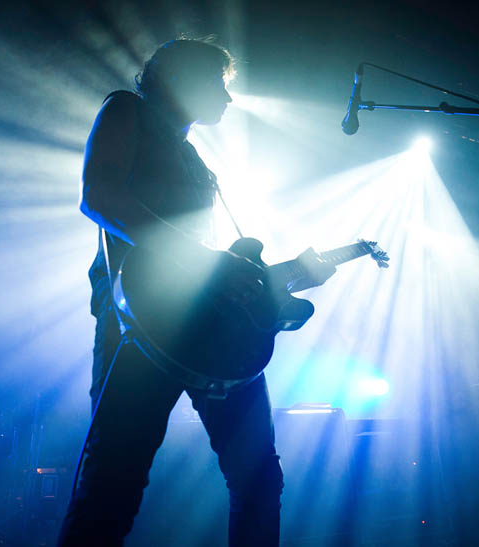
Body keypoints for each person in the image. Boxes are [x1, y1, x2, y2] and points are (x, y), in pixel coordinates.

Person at [58, 36, 334, 546]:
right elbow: (99, 195)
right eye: (219, 84)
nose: (229, 99)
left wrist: (284, 277)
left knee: (258, 478)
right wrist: (205, 259)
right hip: (140, 322)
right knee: (112, 487)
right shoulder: (127, 110)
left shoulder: (197, 161)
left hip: (212, 330)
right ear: (181, 78)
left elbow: (219, 269)